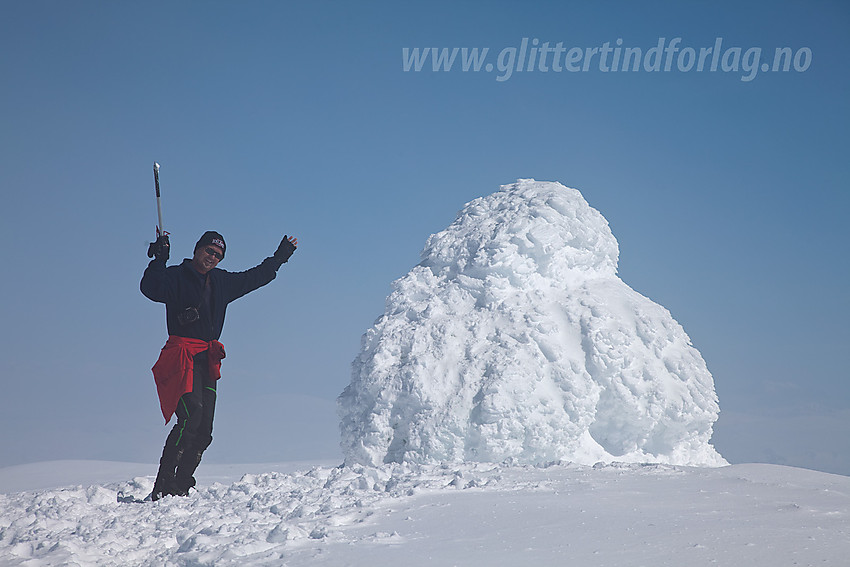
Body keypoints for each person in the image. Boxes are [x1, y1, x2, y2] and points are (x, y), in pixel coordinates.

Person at [141, 230, 297, 500]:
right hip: (182, 356)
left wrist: (279, 257)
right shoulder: (176, 277)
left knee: (204, 429)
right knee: (190, 417)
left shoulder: (221, 282)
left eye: (217, 255)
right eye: (208, 251)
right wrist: (159, 259)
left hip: (207, 360)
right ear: (197, 249)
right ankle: (163, 486)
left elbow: (255, 277)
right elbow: (150, 288)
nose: (212, 257)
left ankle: (181, 485)